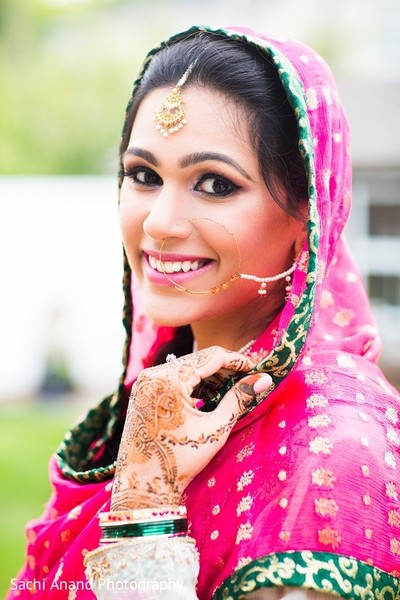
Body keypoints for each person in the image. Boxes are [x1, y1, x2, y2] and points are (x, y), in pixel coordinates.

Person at [8, 25, 400, 600]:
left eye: (214, 184)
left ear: (307, 219)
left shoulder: (335, 451)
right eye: (143, 175)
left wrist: (146, 509)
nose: (161, 223)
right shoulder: (162, 401)